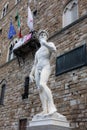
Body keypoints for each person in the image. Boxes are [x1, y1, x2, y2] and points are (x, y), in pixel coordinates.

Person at [29, 30, 57, 116]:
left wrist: (45, 43)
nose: (42, 35)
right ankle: (45, 109)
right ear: (39, 37)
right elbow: (35, 64)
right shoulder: (37, 52)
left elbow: (54, 50)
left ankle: (52, 107)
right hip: (37, 69)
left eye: (44, 34)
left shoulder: (49, 44)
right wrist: (31, 74)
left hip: (46, 66)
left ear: (46, 37)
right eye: (41, 35)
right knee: (40, 89)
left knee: (42, 84)